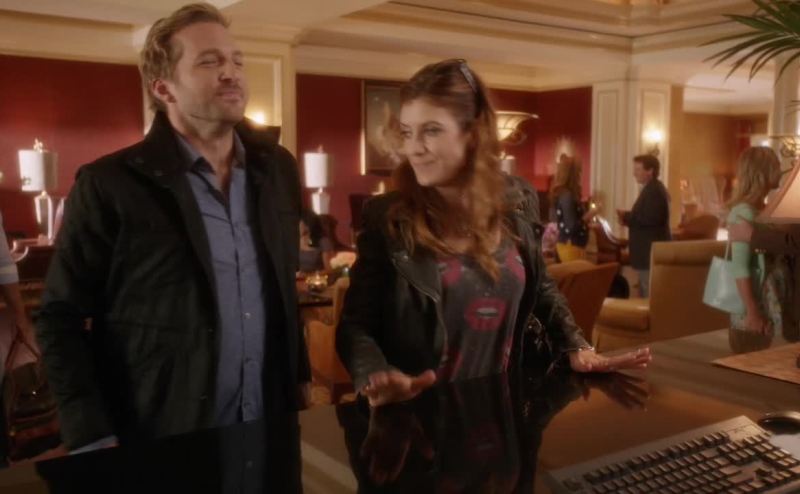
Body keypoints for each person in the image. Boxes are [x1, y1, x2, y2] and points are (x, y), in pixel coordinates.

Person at [36, 3, 310, 453]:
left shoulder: (277, 167)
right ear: (164, 88)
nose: (231, 73)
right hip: (160, 432)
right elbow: (58, 317)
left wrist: (300, 380)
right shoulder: (111, 184)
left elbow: (281, 288)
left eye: (236, 60)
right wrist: (90, 433)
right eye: (209, 62)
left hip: (269, 425)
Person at [336, 59, 651, 408]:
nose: (413, 147)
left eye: (431, 130)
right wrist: (375, 373)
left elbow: (542, 288)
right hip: (418, 423)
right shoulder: (387, 218)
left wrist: (577, 345)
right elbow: (354, 326)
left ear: (473, 133)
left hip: (505, 418)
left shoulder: (519, 199)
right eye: (408, 132)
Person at [725, 147, 790, 336]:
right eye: (776, 166)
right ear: (762, 172)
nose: (781, 171)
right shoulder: (744, 212)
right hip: (760, 299)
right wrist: (752, 312)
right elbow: (740, 268)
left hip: (774, 294)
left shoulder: (763, 208)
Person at [617, 154, 671, 297]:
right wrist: (627, 216)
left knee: (649, 294)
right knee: (645, 291)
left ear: (650, 171)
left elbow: (650, 219)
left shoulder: (654, 191)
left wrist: (626, 217)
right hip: (647, 252)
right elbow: (646, 215)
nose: (634, 173)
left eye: (638, 169)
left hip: (649, 253)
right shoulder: (651, 189)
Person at [549, 154, 596, 262]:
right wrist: (587, 216)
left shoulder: (563, 193)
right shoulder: (567, 196)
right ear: (572, 175)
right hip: (570, 247)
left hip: (570, 245)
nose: (580, 176)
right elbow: (570, 227)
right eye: (578, 172)